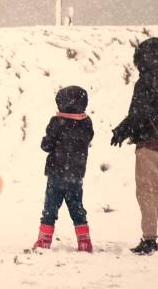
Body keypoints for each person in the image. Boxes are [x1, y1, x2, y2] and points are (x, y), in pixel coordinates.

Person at [111, 37, 158, 254]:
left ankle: (149, 239)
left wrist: (121, 131)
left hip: (150, 148)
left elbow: (138, 114)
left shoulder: (144, 83)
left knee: (147, 194)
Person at [32, 86, 94, 252]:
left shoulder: (56, 122)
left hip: (56, 173)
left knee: (50, 207)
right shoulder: (86, 122)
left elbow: (47, 145)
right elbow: (87, 139)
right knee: (77, 207)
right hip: (76, 174)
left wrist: (46, 141)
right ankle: (84, 242)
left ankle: (44, 241)